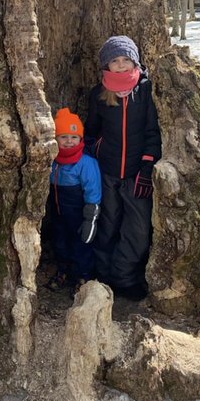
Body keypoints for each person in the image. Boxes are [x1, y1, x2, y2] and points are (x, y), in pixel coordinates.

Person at [85, 34, 161, 301]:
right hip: (107, 174)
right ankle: (103, 277)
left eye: (126, 59)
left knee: (138, 230)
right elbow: (91, 132)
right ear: (106, 65)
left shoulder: (146, 91)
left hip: (136, 174)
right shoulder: (100, 94)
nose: (120, 65)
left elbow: (153, 132)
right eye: (115, 61)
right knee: (107, 226)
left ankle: (125, 277)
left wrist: (147, 169)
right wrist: (98, 150)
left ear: (135, 61)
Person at [46, 108, 102, 292]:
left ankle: (83, 277)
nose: (69, 141)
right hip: (59, 213)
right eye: (63, 137)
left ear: (81, 139)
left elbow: (93, 192)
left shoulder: (86, 163)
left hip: (79, 215)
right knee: (60, 243)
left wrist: (90, 219)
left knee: (82, 246)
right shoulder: (52, 161)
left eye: (74, 137)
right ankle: (63, 271)